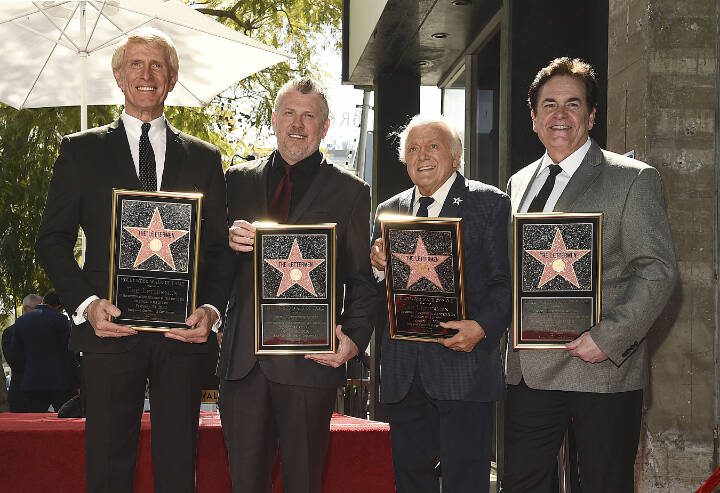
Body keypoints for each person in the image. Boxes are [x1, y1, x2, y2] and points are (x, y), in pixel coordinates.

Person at [35, 28, 230, 493]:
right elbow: (52, 239)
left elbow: (219, 250)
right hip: (108, 330)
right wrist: (86, 304)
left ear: (173, 79)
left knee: (178, 463)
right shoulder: (79, 151)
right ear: (119, 76)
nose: (147, 75)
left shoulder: (204, 159)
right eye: (136, 65)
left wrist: (213, 311)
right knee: (106, 463)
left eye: (157, 66)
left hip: (182, 334)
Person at [501, 57, 678, 492]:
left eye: (572, 104)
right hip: (530, 371)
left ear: (592, 114)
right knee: (522, 483)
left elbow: (656, 270)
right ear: (534, 117)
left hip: (601, 369)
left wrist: (609, 338)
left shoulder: (633, 179)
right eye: (549, 105)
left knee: (601, 484)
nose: (559, 115)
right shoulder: (519, 182)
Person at [218, 77, 377, 493]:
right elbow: (211, 264)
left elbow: (363, 280)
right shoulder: (237, 180)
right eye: (289, 113)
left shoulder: (352, 193)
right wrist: (227, 242)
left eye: (309, 116)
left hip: (311, 363)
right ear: (274, 119)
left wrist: (354, 339)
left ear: (325, 127)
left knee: (304, 482)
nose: (297, 125)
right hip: (244, 364)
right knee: (244, 484)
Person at [369, 115, 511, 493]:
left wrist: (481, 329)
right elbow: (374, 293)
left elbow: (505, 285)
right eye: (412, 149)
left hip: (464, 368)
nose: (422, 156)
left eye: (433, 146)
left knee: (466, 482)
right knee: (411, 481)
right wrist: (379, 268)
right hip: (403, 373)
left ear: (455, 156)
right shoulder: (389, 209)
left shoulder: (489, 203)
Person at [10, 289, 79, 412]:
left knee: (35, 423)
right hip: (59, 383)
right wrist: (75, 382)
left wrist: (26, 373)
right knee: (64, 419)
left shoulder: (21, 322)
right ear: (58, 306)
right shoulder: (61, 320)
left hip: (32, 382)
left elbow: (15, 356)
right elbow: (68, 354)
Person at [2, 293, 42, 412]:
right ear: (26, 309)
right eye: (39, 308)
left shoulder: (45, 331)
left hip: (42, 393)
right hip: (21, 391)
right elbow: (14, 361)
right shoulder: (10, 332)